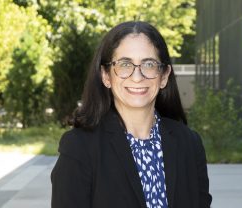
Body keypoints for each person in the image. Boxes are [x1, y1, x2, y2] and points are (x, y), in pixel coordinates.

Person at [51, 21, 212, 208]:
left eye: (149, 64)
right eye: (125, 64)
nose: (137, 77)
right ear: (106, 75)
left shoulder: (189, 144)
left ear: (164, 76)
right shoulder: (79, 147)